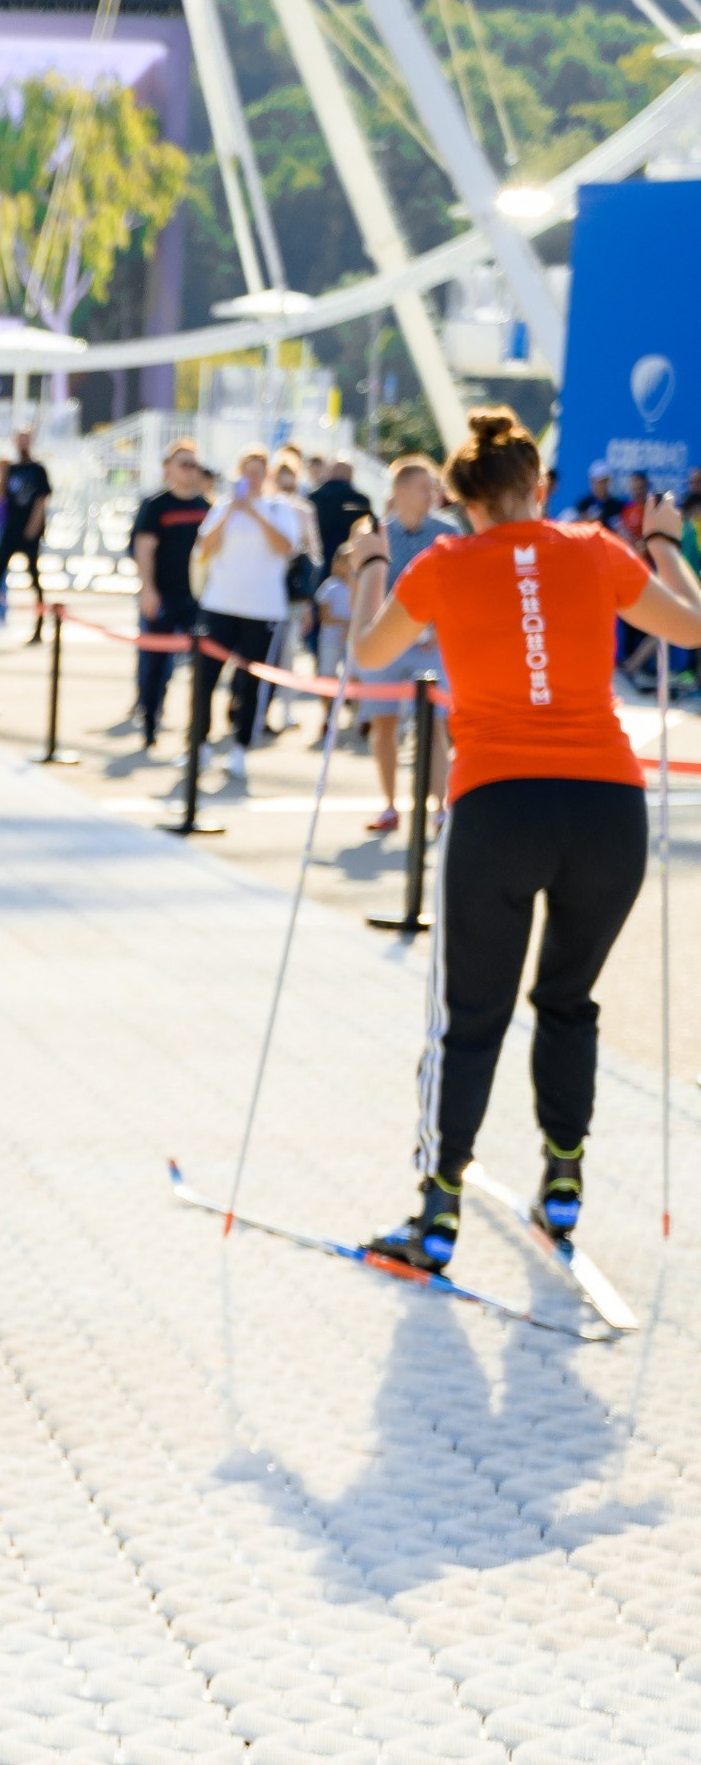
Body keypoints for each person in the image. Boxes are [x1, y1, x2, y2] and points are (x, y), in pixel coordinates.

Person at [345, 405, 701, 1271]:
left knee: (470, 1018)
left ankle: (437, 1214)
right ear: (536, 488)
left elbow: (366, 652)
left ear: (465, 498)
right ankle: (563, 1181)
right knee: (566, 1001)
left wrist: (368, 565)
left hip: (499, 806)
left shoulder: (440, 563)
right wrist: (662, 544)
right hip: (605, 809)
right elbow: (690, 626)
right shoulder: (591, 548)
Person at [187, 446, 297, 780]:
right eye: (246, 472)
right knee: (205, 679)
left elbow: (285, 548)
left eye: (258, 472)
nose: (252, 479)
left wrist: (254, 513)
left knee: (250, 684)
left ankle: (240, 747)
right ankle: (199, 745)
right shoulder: (222, 507)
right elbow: (205, 547)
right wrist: (232, 511)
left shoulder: (280, 508)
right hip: (220, 605)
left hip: (261, 609)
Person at [365, 454, 455, 835]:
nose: (431, 494)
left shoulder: (448, 532)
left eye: (433, 487)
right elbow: (367, 590)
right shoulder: (378, 534)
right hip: (389, 643)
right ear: (400, 490)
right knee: (383, 724)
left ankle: (440, 809)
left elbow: (460, 586)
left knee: (435, 727)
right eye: (423, 486)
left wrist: (439, 627)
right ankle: (389, 806)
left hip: (432, 644)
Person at [128, 445, 209, 751]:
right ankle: (149, 721)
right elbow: (144, 548)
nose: (190, 470)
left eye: (193, 464)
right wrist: (147, 589)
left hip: (196, 601)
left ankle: (196, 731)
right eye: (183, 464)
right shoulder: (156, 505)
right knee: (154, 665)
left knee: (201, 668)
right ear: (170, 468)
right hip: (163, 597)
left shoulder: (206, 506)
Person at [0, 425, 51, 623]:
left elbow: (41, 500)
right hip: (11, 529)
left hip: (29, 533)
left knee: (34, 578)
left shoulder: (38, 470)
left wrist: (33, 528)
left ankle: (39, 625)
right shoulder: (11, 469)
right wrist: (1, 473)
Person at [310, 449, 374, 578]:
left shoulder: (313, 498)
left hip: (316, 564)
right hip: (349, 568)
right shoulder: (361, 501)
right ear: (350, 474)